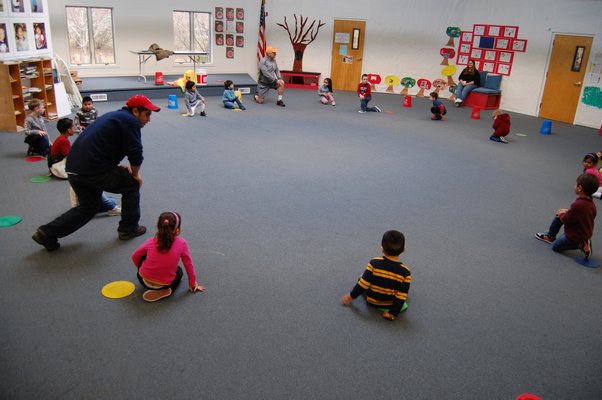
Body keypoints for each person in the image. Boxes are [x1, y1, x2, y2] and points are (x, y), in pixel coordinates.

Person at [32, 95, 160, 251]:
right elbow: (135, 153)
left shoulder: (114, 116)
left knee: (88, 207)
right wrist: (135, 174)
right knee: (131, 185)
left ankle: (47, 233)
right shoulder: (130, 122)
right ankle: (128, 229)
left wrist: (116, 167)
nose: (149, 119)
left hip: (74, 168)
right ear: (135, 111)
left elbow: (101, 147)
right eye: (147, 114)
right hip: (92, 169)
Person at [51, 118, 121, 215]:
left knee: (108, 198)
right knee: (94, 184)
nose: (75, 128)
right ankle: (111, 208)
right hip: (61, 167)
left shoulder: (63, 139)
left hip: (66, 168)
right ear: (69, 130)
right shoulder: (65, 142)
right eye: (74, 127)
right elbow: (69, 156)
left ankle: (106, 206)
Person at [131, 212, 205, 302]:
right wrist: (192, 283)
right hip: (164, 284)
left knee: (143, 256)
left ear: (158, 227)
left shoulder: (152, 241)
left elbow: (134, 256)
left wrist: (144, 269)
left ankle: (150, 277)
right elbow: (188, 264)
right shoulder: (182, 243)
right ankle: (165, 291)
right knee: (179, 271)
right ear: (177, 230)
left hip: (143, 280)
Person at [340, 230, 411, 321]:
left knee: (361, 279)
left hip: (372, 300)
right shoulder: (406, 272)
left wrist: (350, 296)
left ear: (382, 248)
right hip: (390, 303)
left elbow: (362, 285)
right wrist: (392, 313)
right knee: (403, 293)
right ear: (404, 249)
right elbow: (401, 295)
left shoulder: (374, 263)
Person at [535, 173, 598, 260]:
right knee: (561, 214)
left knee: (555, 247)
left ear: (579, 188)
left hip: (575, 236)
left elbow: (566, 220)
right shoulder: (590, 202)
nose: (574, 185)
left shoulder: (579, 204)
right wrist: (566, 212)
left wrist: (562, 214)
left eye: (576, 184)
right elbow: (584, 215)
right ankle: (550, 236)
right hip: (580, 230)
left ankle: (581, 244)